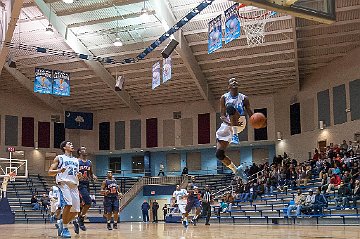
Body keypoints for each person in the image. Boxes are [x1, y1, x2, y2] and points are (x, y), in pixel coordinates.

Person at [215, 78, 258, 182]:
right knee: (219, 155)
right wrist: (229, 123)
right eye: (231, 81)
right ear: (228, 87)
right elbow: (222, 116)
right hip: (227, 124)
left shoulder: (244, 98)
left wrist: (256, 121)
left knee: (230, 108)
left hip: (240, 121)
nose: (234, 82)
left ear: (238, 85)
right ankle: (236, 170)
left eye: (235, 81)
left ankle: (235, 136)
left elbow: (249, 112)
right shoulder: (224, 97)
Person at [48, 140, 81, 238]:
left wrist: (79, 176)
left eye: (72, 143)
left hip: (74, 184)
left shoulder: (76, 160)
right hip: (63, 183)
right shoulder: (59, 158)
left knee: (76, 211)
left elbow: (75, 174)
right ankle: (65, 229)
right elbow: (50, 172)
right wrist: (59, 170)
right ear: (64, 147)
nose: (72, 145)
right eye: (69, 144)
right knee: (68, 204)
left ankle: (62, 221)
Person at [77, 146, 97, 231]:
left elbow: (91, 173)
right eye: (83, 149)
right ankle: (81, 219)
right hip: (79, 184)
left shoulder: (89, 162)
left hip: (87, 184)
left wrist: (93, 176)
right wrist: (77, 176)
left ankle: (78, 220)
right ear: (79, 152)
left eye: (85, 149)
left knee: (82, 204)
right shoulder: (77, 161)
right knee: (88, 202)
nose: (85, 150)